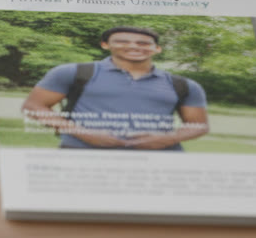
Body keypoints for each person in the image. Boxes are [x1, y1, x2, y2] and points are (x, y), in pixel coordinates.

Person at [21, 26, 209, 150]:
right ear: (105, 45)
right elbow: (33, 106)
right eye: (122, 41)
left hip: (158, 158)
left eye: (143, 43)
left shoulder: (183, 85)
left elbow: (199, 125)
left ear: (157, 49)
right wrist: (83, 133)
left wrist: (167, 139)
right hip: (81, 153)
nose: (133, 46)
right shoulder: (73, 72)